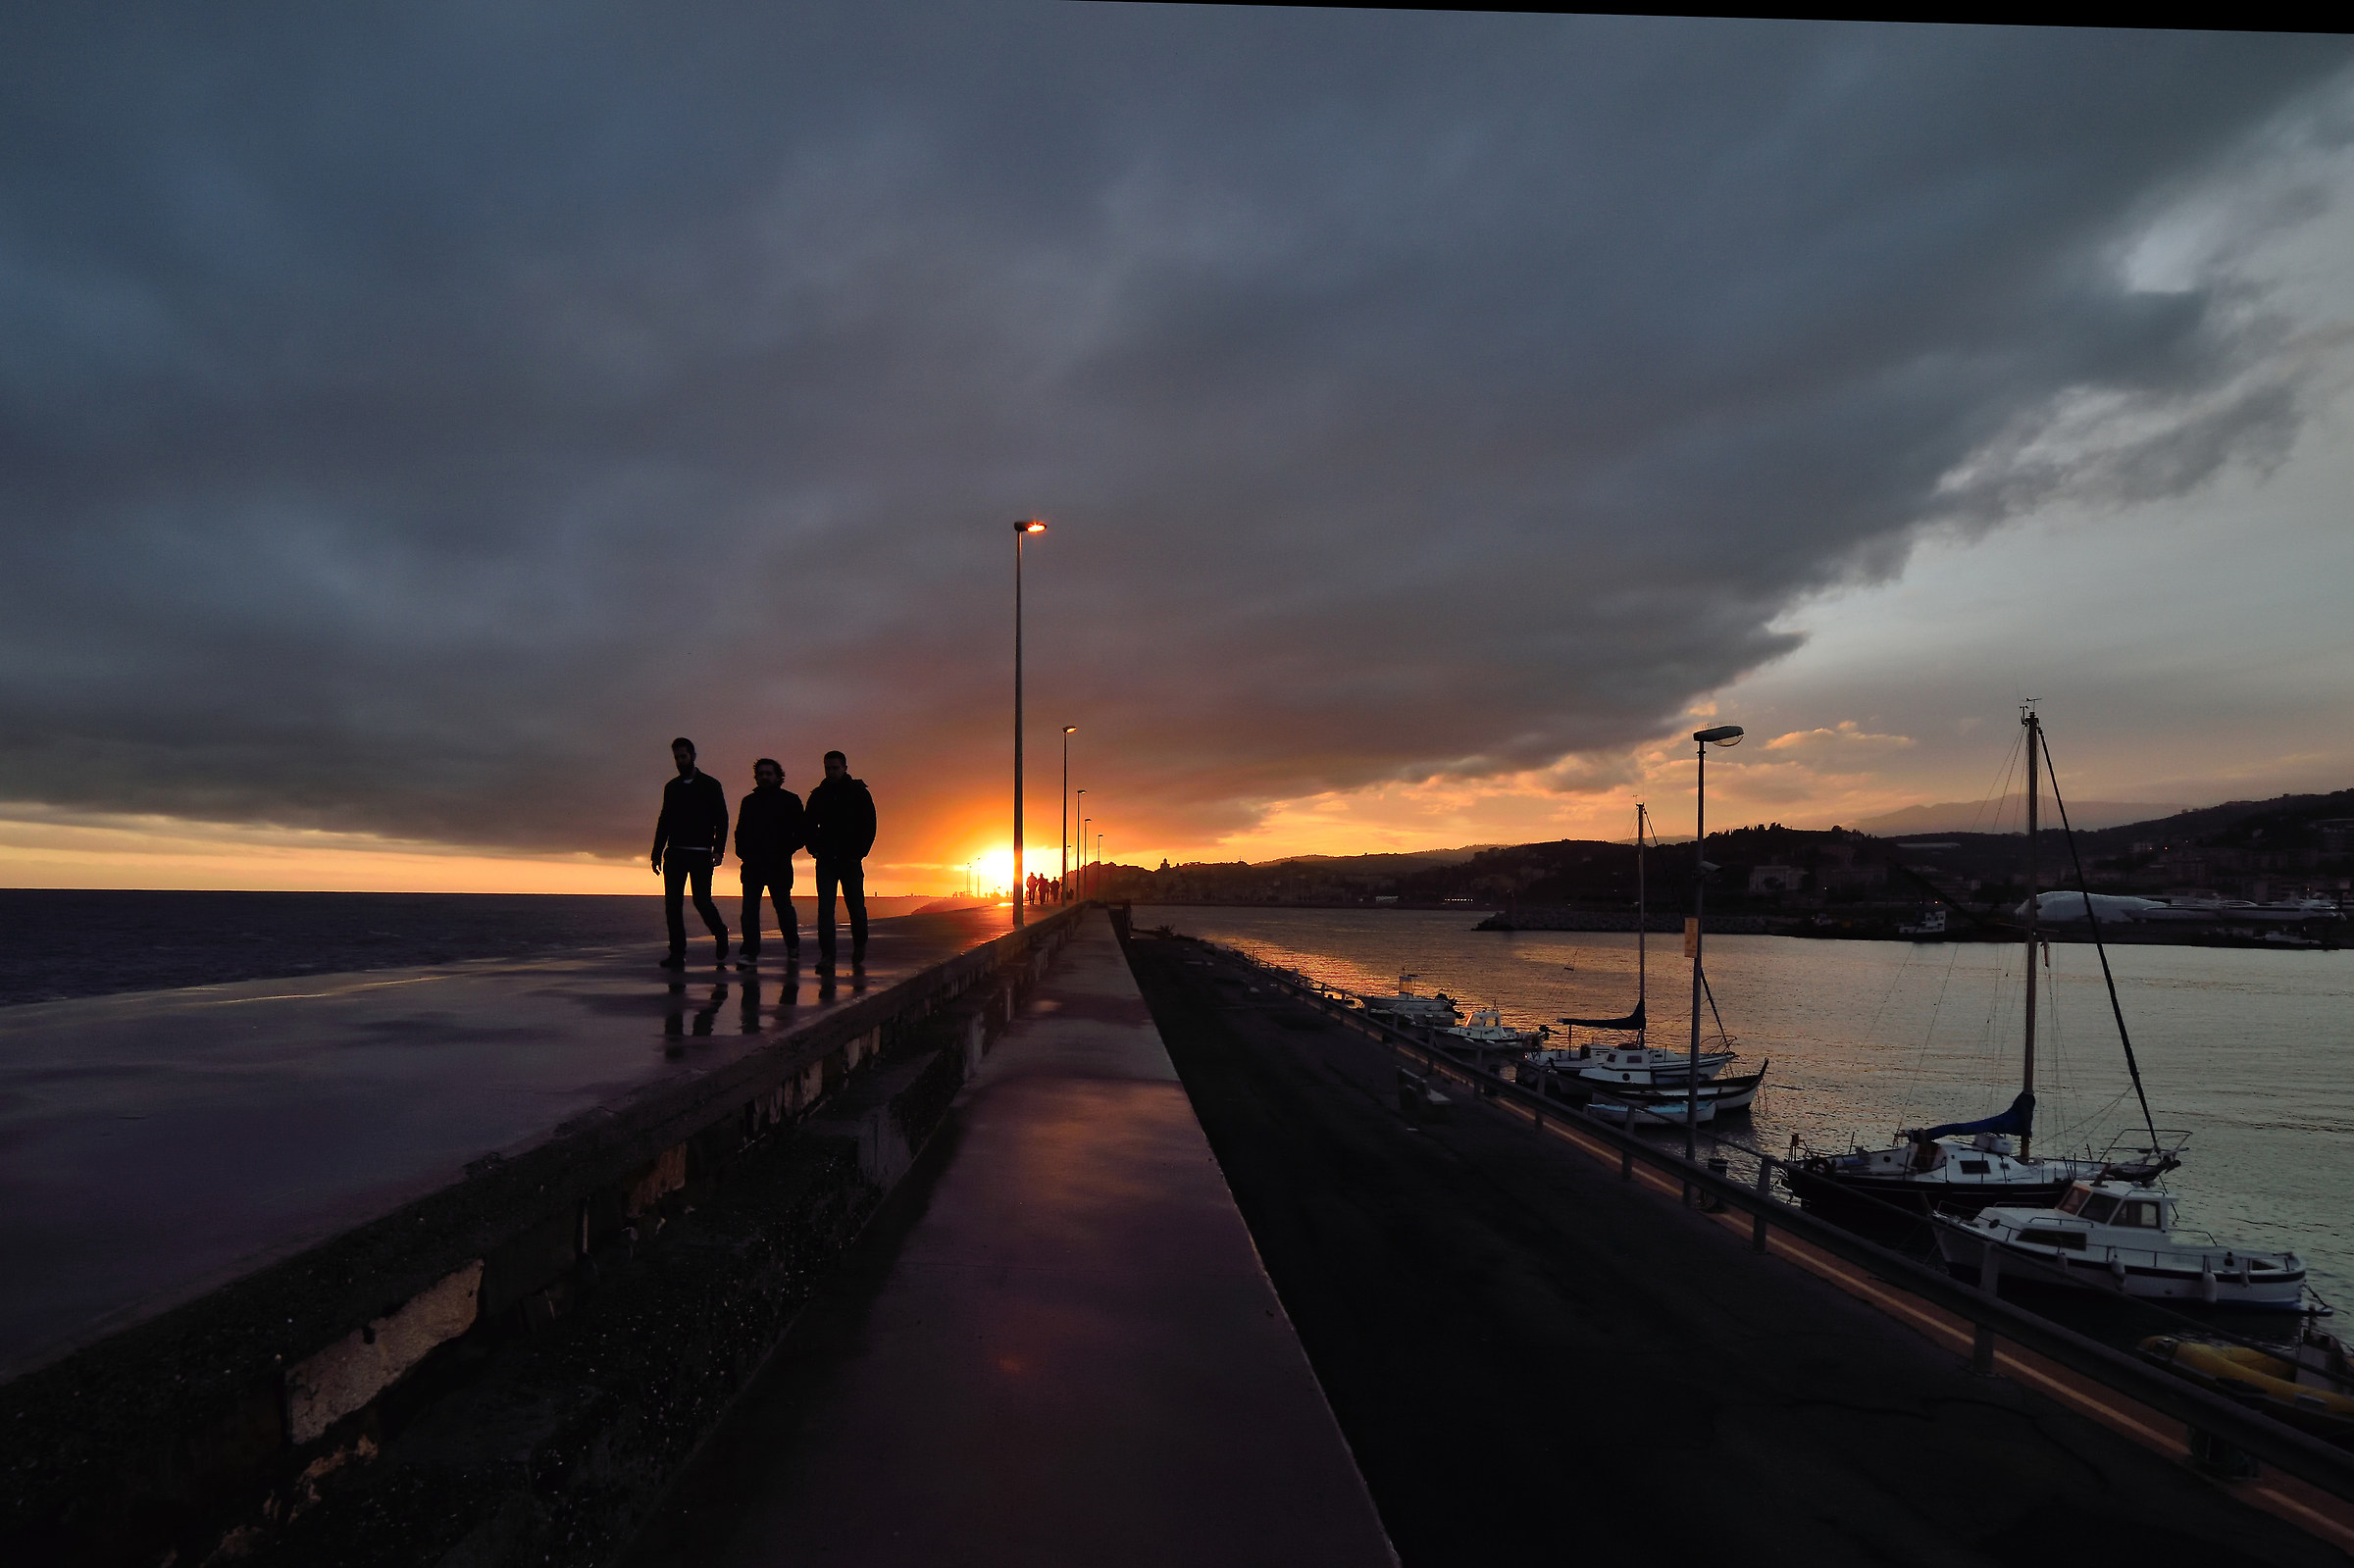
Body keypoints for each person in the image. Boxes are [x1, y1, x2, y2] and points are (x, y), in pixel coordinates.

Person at [651, 736, 730, 969]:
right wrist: (656, 853)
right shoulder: (672, 787)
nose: (680, 761)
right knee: (672, 905)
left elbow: (722, 819)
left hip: (701, 854)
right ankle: (677, 953)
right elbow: (664, 821)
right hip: (675, 853)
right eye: (676, 757)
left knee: (702, 901)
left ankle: (720, 932)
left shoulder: (711, 785)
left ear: (693, 756)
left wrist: (719, 850)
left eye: (683, 756)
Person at [804, 749, 876, 974]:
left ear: (845, 768)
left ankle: (859, 946)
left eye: (835, 768)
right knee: (825, 910)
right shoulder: (818, 795)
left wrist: (859, 852)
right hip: (826, 860)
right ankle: (827, 956)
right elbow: (808, 824)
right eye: (827, 768)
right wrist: (814, 849)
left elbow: (869, 824)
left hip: (850, 860)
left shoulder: (859, 793)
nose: (831, 772)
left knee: (856, 907)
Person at [734, 757, 804, 968]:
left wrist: (784, 850)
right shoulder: (748, 802)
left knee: (783, 907)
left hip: (778, 864)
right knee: (749, 910)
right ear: (756, 777)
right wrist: (743, 853)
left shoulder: (790, 800)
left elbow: (801, 833)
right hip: (752, 865)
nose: (764, 777)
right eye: (761, 773)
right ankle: (749, 952)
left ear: (778, 776)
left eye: (769, 773)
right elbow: (740, 831)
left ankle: (793, 946)